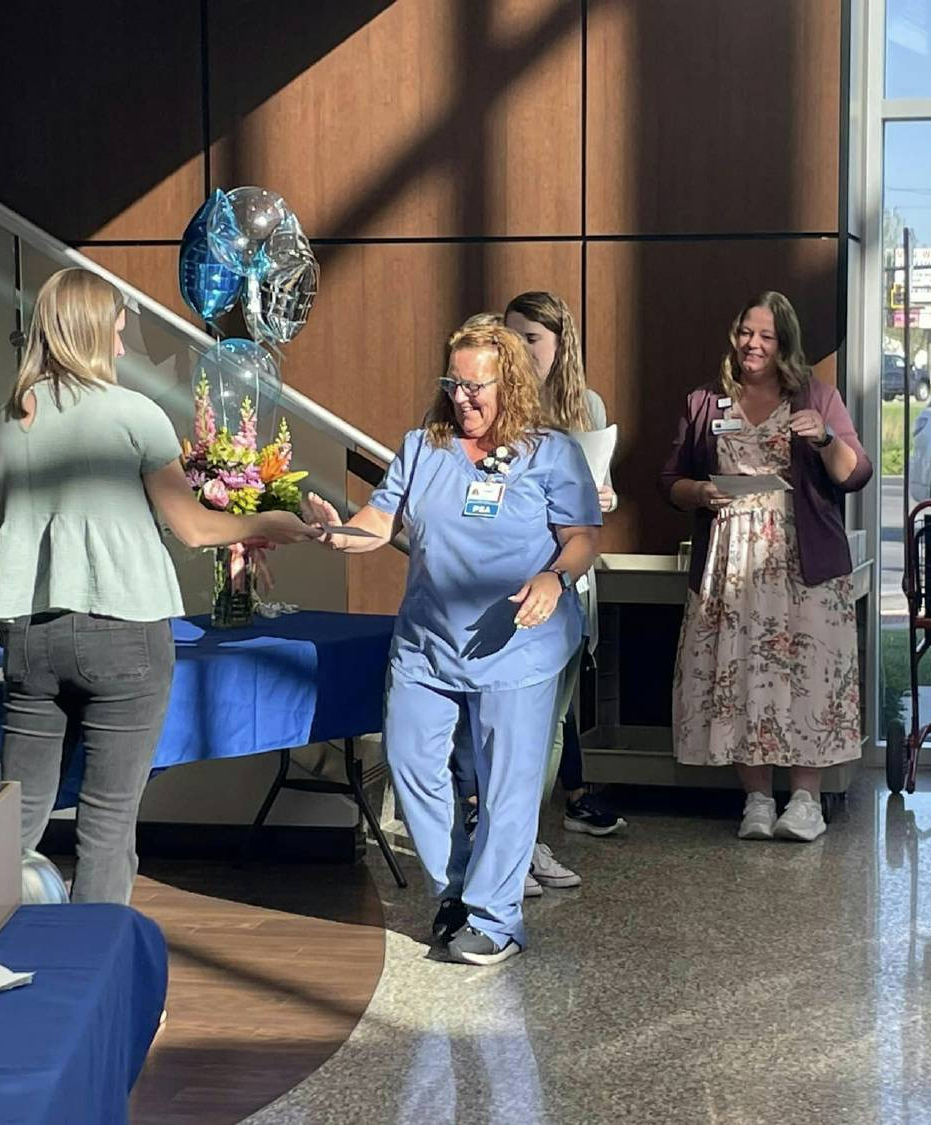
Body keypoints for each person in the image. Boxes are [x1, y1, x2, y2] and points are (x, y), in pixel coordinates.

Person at [0, 267, 323, 904]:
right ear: (92, 332)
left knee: (17, 818)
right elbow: (196, 529)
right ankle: (98, 974)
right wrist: (271, 522)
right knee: (109, 820)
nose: (121, 346)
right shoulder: (134, 416)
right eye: (117, 331)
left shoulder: (6, 427)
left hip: (29, 641)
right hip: (125, 639)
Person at [306, 319, 601, 965]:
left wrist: (555, 576)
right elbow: (377, 524)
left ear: (513, 384)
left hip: (517, 639)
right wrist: (337, 534)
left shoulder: (551, 452)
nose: (462, 398)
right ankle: (460, 887)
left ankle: (495, 920)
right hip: (427, 641)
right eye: (454, 383)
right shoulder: (423, 446)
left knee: (505, 785)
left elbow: (581, 538)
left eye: (477, 386)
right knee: (411, 763)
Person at [661, 292, 870, 842]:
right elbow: (671, 482)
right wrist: (700, 492)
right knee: (739, 672)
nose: (753, 345)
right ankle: (755, 799)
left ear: (784, 344)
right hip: (730, 558)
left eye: (766, 336)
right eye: (746, 333)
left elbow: (855, 473)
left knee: (809, 675)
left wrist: (823, 438)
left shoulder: (817, 397)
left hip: (803, 560)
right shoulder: (705, 402)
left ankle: (805, 800)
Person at [505, 291, 627, 840]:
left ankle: (529, 836)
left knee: (553, 709)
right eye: (512, 336)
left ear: (560, 342)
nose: (520, 349)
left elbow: (601, 486)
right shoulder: (497, 399)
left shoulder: (587, 406)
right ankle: (510, 831)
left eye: (530, 337)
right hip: (513, 563)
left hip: (566, 568)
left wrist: (606, 498)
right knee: (514, 710)